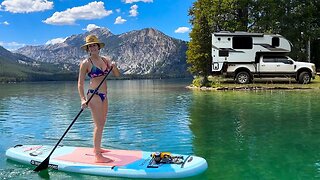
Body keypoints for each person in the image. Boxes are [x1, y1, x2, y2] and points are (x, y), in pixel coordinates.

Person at [78, 34, 120, 163]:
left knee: (102, 122)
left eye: (94, 45)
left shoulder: (106, 60)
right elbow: (80, 83)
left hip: (104, 94)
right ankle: (97, 155)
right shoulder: (86, 63)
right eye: (90, 46)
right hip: (93, 95)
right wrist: (82, 99)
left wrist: (114, 66)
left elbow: (117, 75)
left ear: (98, 46)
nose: (92, 47)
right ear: (88, 49)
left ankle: (98, 148)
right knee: (99, 124)